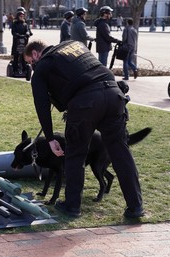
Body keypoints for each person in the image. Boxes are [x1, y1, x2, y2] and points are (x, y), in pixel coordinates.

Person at [23, 39, 144, 219]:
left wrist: (49, 138)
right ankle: (136, 207)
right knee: (120, 152)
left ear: (35, 54)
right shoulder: (74, 45)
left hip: (85, 104)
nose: (32, 66)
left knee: (75, 154)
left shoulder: (43, 66)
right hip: (114, 95)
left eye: (31, 63)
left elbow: (41, 104)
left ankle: (72, 206)